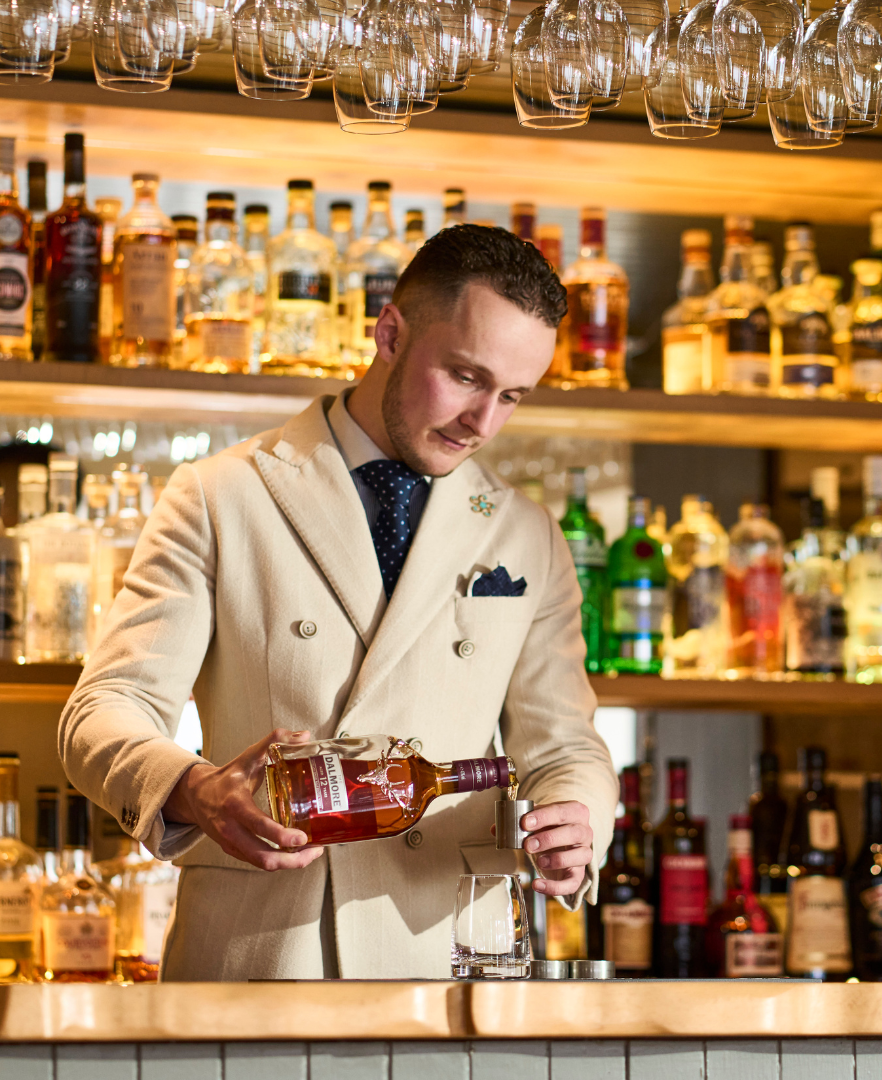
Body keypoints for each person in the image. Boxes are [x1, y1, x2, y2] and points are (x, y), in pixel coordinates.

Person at [58, 224, 619, 980]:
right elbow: (104, 709)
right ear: (388, 332)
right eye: (464, 377)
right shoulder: (223, 494)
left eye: (511, 396)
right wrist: (195, 791)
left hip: (453, 963)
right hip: (264, 954)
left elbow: (564, 746)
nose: (482, 423)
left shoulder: (527, 534)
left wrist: (577, 817)